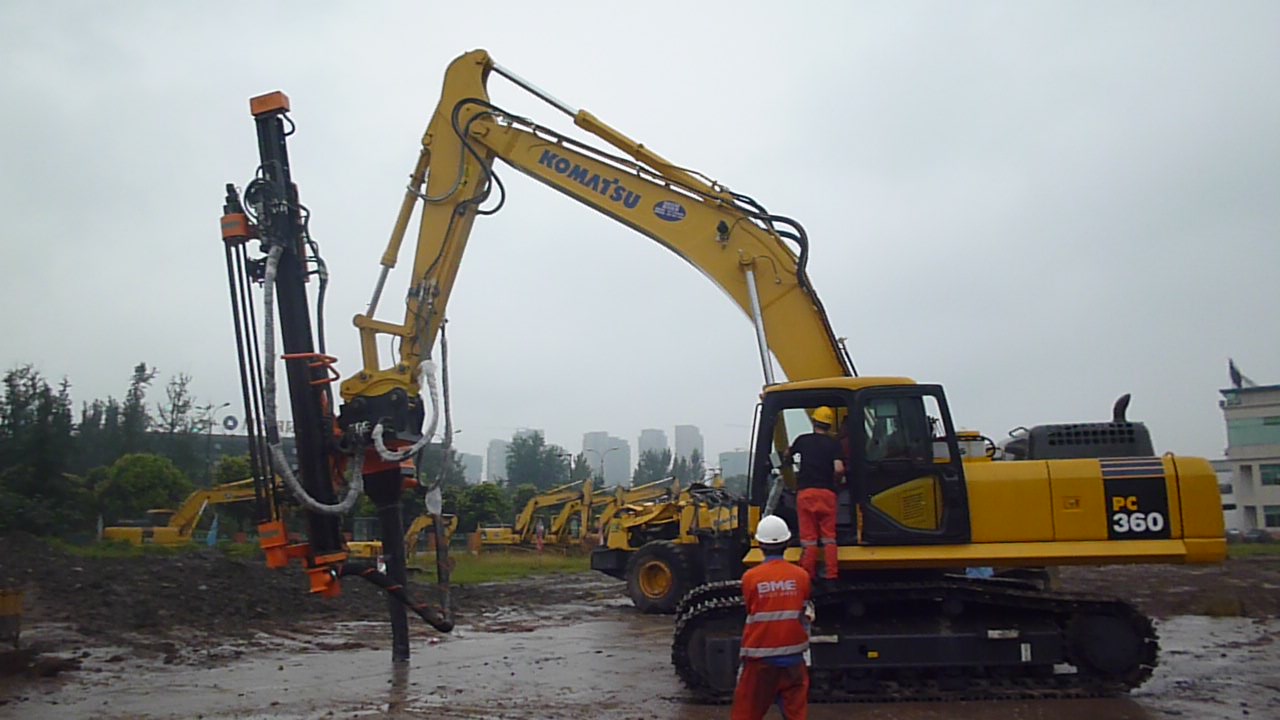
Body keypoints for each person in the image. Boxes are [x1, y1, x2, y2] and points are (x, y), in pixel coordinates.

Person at [732, 515, 813, 720]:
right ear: (786, 543)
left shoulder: (751, 578)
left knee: (746, 713)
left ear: (760, 544)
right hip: (794, 659)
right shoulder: (801, 575)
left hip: (760, 659)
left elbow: (751, 608)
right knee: (795, 714)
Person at [784, 406, 844, 582]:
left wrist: (788, 454)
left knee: (809, 539)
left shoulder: (803, 440)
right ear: (829, 425)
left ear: (814, 421)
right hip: (827, 494)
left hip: (806, 494)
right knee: (829, 538)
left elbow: (787, 455)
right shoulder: (834, 444)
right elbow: (839, 469)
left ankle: (807, 575)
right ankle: (831, 574)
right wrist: (836, 483)